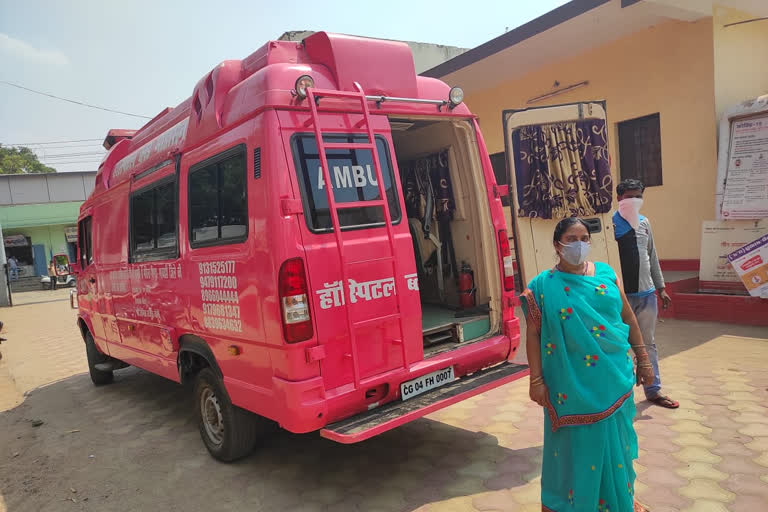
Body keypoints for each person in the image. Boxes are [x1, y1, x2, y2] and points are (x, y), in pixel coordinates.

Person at [520, 217, 654, 512]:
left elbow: (628, 317)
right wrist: (536, 380)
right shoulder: (542, 286)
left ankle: (617, 499)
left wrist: (643, 360)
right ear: (557, 245)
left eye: (584, 238)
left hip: (612, 376)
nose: (579, 244)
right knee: (575, 447)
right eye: (571, 238)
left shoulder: (606, 274)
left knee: (614, 445)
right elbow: (533, 333)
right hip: (570, 385)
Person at [613, 179, 679, 409]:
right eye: (630, 196)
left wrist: (661, 288)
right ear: (619, 198)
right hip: (620, 297)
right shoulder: (610, 223)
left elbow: (652, 256)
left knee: (648, 344)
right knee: (619, 344)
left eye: (638, 196)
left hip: (647, 294)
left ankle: (653, 389)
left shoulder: (644, 223)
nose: (634, 200)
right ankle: (620, 393)